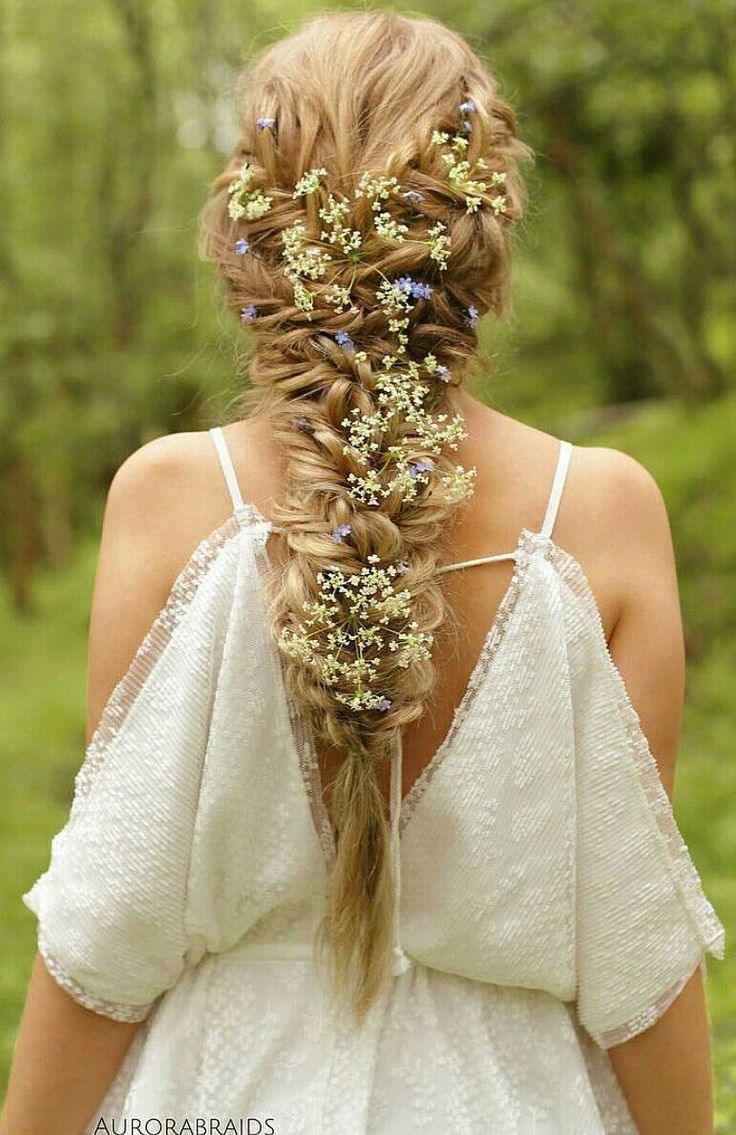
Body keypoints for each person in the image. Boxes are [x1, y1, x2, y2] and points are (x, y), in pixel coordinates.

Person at [0, 10, 725, 1135]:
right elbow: (633, 942)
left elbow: (112, 922)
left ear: (257, 226)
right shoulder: (600, 508)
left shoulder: (171, 497)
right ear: (480, 221)